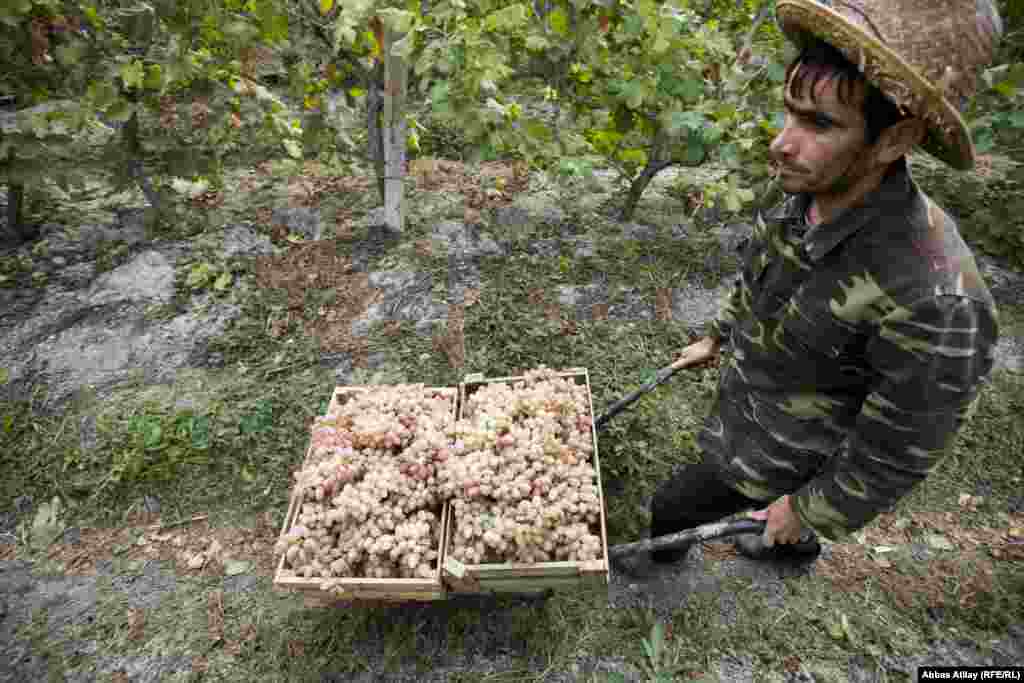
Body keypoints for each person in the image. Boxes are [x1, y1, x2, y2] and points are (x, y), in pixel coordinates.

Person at [623, 0, 1004, 573]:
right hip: (750, 403)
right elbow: (760, 275)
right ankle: (790, 547)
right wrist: (721, 335)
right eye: (789, 113)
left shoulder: (934, 294)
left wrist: (811, 508)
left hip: (792, 454)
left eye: (819, 124)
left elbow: (899, 447)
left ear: (895, 139)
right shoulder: (804, 192)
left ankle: (669, 557)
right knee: (769, 519)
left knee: (676, 505)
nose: (781, 143)